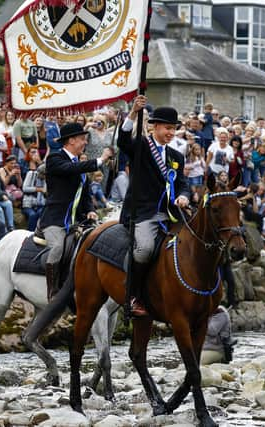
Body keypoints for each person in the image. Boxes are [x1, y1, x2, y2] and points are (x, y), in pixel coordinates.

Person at [118, 96, 190, 316]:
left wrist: (184, 196)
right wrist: (133, 113)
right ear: (155, 126)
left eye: (173, 129)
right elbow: (122, 141)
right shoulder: (141, 145)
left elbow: (182, 184)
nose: (171, 133)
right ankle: (133, 296)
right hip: (144, 212)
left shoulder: (176, 155)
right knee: (145, 250)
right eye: (167, 128)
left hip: (171, 212)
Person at [40, 122, 112, 300]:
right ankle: (53, 291)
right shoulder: (55, 159)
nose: (84, 143)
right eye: (82, 139)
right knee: (57, 248)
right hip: (55, 220)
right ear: (71, 141)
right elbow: (69, 169)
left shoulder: (78, 164)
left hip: (77, 221)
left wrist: (90, 211)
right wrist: (100, 160)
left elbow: (85, 195)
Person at [21, 150, 46, 231]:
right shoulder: (31, 174)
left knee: (41, 213)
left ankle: (38, 232)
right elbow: (24, 188)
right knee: (32, 215)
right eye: (41, 175)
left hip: (40, 204)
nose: (41, 177)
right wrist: (39, 189)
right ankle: (29, 233)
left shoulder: (47, 179)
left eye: (43, 176)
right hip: (28, 204)